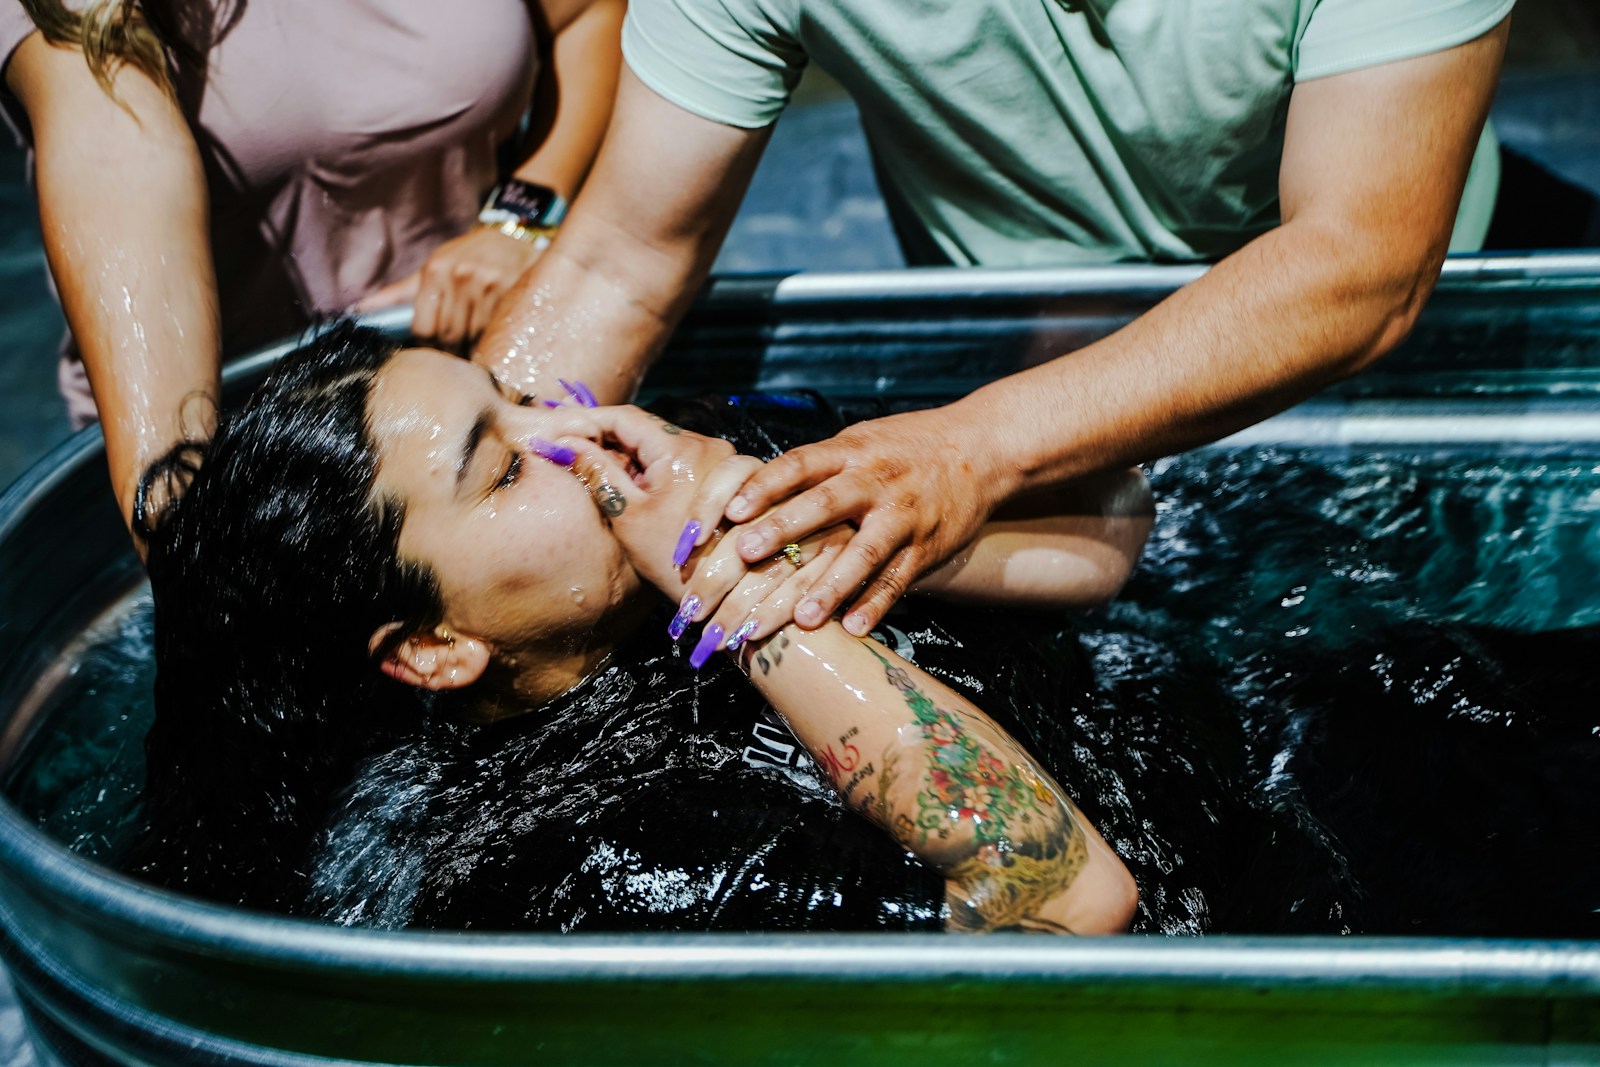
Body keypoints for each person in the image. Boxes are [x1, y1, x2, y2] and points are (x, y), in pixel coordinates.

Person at [470, 0, 1515, 640]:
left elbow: (1358, 261)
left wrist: (968, 449)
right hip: (1021, 372)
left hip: (1395, 392)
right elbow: (618, 264)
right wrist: (468, 463)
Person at [132, 322, 1150, 933]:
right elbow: (1062, 905)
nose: (576, 433)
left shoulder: (712, 470)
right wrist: (729, 588)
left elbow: (1111, 529)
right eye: (504, 467)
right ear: (434, 648)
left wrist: (772, 508)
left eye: (522, 397)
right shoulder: (583, 868)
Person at [0, 0, 623, 534]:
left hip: (477, 365)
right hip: (249, 438)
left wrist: (518, 219)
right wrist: (180, 519)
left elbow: (587, 15)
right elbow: (120, 159)